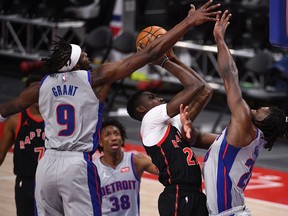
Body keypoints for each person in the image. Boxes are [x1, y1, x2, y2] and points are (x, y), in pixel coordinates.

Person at [0, 1, 221, 215]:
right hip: (75, 162)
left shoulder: (41, 86)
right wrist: (188, 22)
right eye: (84, 55)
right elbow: (148, 54)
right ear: (76, 64)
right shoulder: (95, 78)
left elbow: (7, 108)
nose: (88, 56)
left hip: (47, 162)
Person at [202, 11, 288, 216]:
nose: (257, 109)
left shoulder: (243, 121)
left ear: (264, 122)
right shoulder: (257, 136)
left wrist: (220, 39)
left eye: (261, 111)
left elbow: (230, 75)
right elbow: (218, 143)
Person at [126, 38, 218, 214]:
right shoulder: (150, 119)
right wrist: (164, 62)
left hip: (195, 194)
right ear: (141, 109)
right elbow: (195, 86)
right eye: (152, 97)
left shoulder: (171, 123)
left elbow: (205, 90)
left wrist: (175, 60)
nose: (160, 98)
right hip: (177, 193)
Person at [93, 117, 158, 216]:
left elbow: (165, 170)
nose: (114, 138)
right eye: (108, 135)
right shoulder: (93, 170)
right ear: (100, 142)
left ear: (122, 139)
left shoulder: (135, 161)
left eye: (116, 134)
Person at [0, 76, 45, 216]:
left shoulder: (56, 119)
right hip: (25, 182)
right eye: (33, 91)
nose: (37, 95)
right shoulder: (15, 120)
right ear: (26, 94)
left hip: (50, 183)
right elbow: (1, 154)